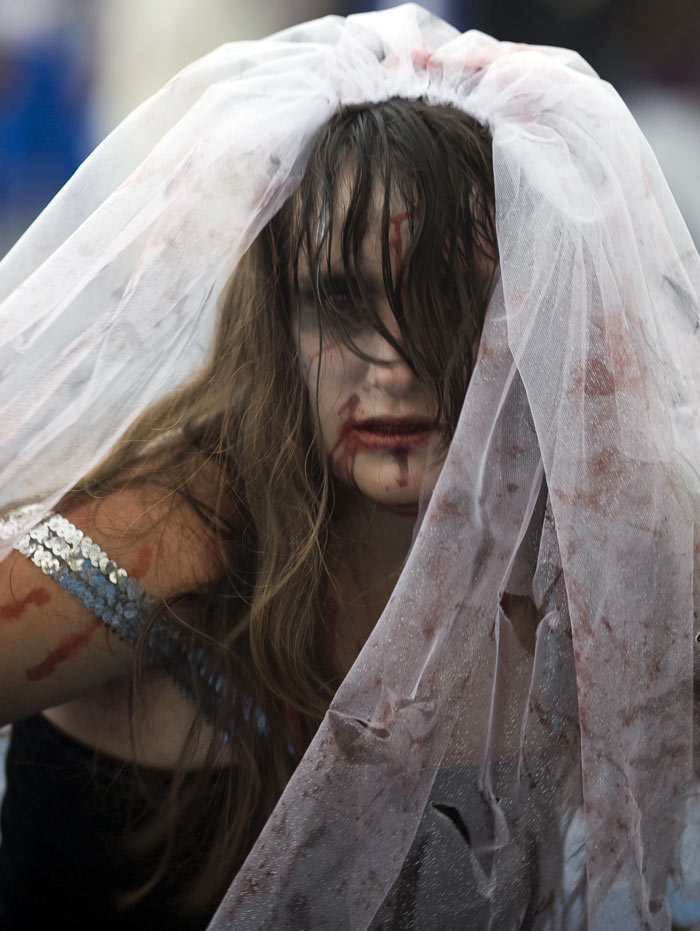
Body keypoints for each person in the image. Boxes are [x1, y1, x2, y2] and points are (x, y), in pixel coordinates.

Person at [0, 5, 698, 930]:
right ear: (277, 317)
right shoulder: (175, 527)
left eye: (446, 299)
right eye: (337, 298)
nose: (393, 365)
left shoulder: (583, 565)